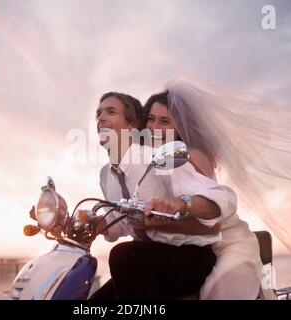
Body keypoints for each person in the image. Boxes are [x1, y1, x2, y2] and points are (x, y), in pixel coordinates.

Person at [91, 92, 238, 299]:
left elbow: (225, 197)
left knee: (123, 256)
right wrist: (94, 223)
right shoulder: (106, 173)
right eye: (98, 114)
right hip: (147, 256)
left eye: (111, 112)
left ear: (132, 126)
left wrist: (180, 204)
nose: (101, 118)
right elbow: (117, 226)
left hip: (190, 256)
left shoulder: (158, 158)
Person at [143, 89, 263, 299]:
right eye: (150, 119)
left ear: (180, 128)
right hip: (192, 244)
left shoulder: (191, 156)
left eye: (164, 121)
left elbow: (209, 211)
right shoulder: (159, 158)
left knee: (215, 293)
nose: (154, 127)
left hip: (226, 243)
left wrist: (175, 208)